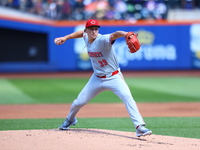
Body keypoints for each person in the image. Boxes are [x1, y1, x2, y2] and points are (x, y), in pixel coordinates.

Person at [54, 19, 152, 137]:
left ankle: (139, 127)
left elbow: (115, 34)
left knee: (127, 97)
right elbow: (81, 33)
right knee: (78, 102)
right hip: (96, 78)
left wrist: (126, 34)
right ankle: (70, 120)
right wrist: (66, 37)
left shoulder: (102, 40)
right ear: (87, 31)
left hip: (114, 77)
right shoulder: (86, 36)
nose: (94, 31)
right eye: (91, 29)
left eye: (96, 29)